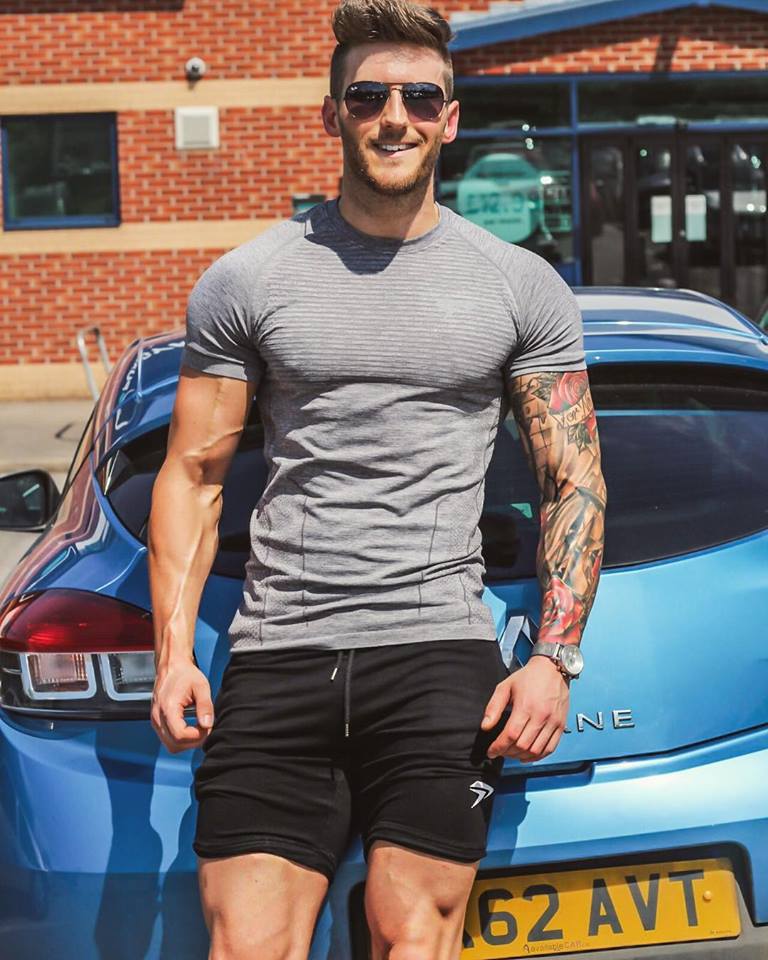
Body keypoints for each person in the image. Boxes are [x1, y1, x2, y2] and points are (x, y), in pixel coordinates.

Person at [147, 0, 607, 957]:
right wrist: (174, 654)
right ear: (332, 114)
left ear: (450, 117)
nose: (394, 116)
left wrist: (553, 659)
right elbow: (193, 474)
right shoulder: (248, 281)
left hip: (436, 655)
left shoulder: (520, 285)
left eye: (419, 97)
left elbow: (573, 482)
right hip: (279, 651)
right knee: (248, 948)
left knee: (416, 939)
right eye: (368, 96)